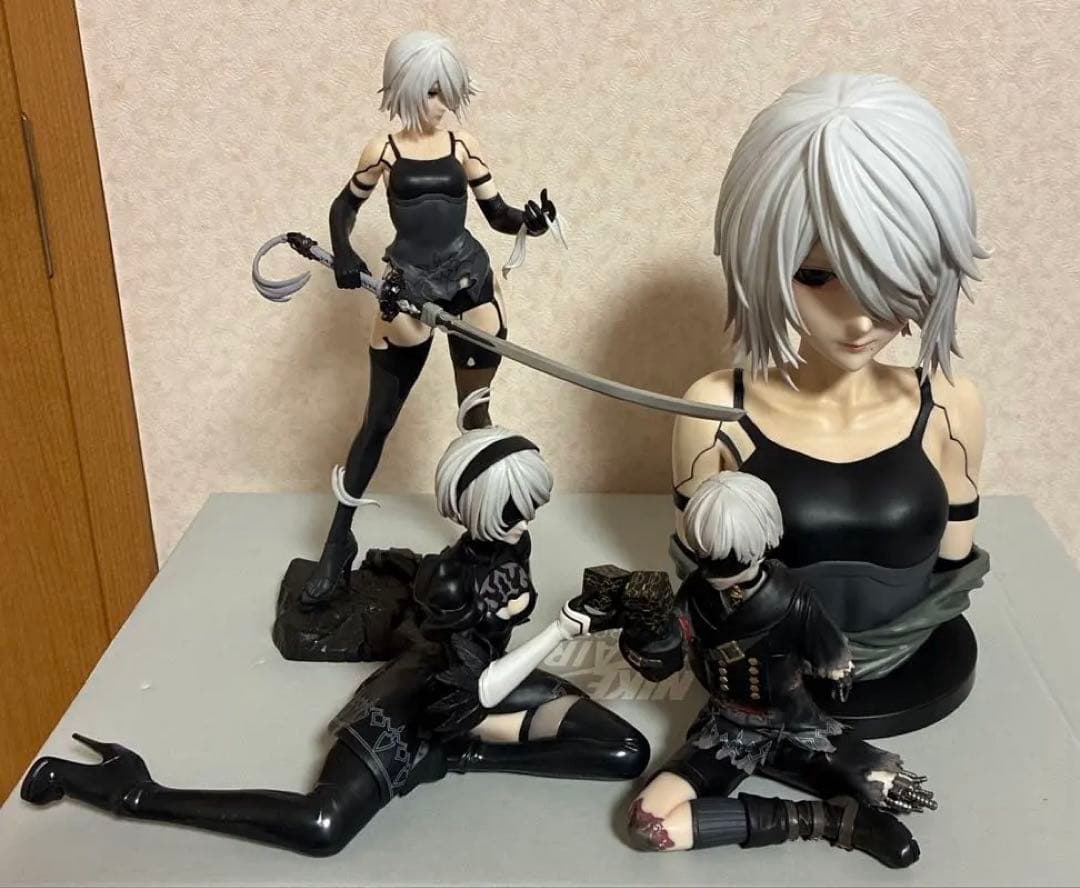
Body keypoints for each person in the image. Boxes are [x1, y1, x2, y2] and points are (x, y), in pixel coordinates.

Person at [21, 391, 647, 856]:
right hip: (424, 698)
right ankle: (134, 791)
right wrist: (560, 631)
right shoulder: (448, 580)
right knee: (323, 827)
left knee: (623, 751)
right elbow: (474, 686)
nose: (525, 520)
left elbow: (494, 662)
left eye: (533, 506)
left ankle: (458, 754)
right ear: (474, 506)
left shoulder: (515, 543)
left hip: (483, 699)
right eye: (513, 509)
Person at [672, 73, 989, 685]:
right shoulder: (715, 413)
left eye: (890, 277)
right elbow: (701, 574)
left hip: (912, 657)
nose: (862, 318)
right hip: (765, 673)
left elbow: (954, 563)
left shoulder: (950, 406)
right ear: (760, 262)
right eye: (816, 277)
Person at [305, 30, 561, 607]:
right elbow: (344, 207)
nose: (440, 103)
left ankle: (490, 533)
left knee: (476, 414)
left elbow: (497, 213)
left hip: (469, 277)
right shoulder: (383, 150)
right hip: (409, 285)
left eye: (447, 91)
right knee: (378, 421)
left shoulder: (463, 143)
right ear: (405, 88)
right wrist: (343, 251)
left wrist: (532, 222)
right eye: (430, 91)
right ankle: (337, 542)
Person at [621, 472, 933, 868]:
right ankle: (823, 820)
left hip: (794, 730)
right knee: (647, 824)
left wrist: (838, 668)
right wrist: (642, 630)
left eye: (727, 559)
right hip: (726, 731)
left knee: (882, 784)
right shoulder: (696, 595)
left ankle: (852, 809)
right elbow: (668, 652)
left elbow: (832, 655)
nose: (715, 572)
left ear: (760, 544)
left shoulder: (793, 600)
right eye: (706, 556)